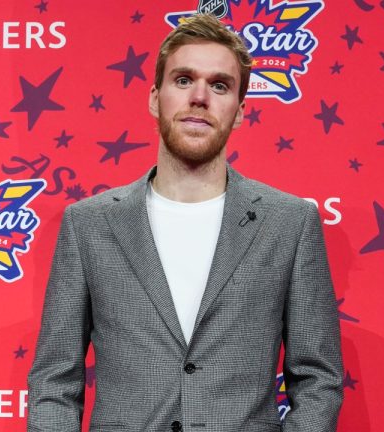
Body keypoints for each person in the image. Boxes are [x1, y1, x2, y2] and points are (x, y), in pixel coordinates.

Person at [28, 13, 343, 432]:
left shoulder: (290, 222)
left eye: (219, 85)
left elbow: (318, 379)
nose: (200, 97)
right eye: (183, 80)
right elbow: (54, 381)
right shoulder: (89, 225)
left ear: (240, 110)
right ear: (155, 98)